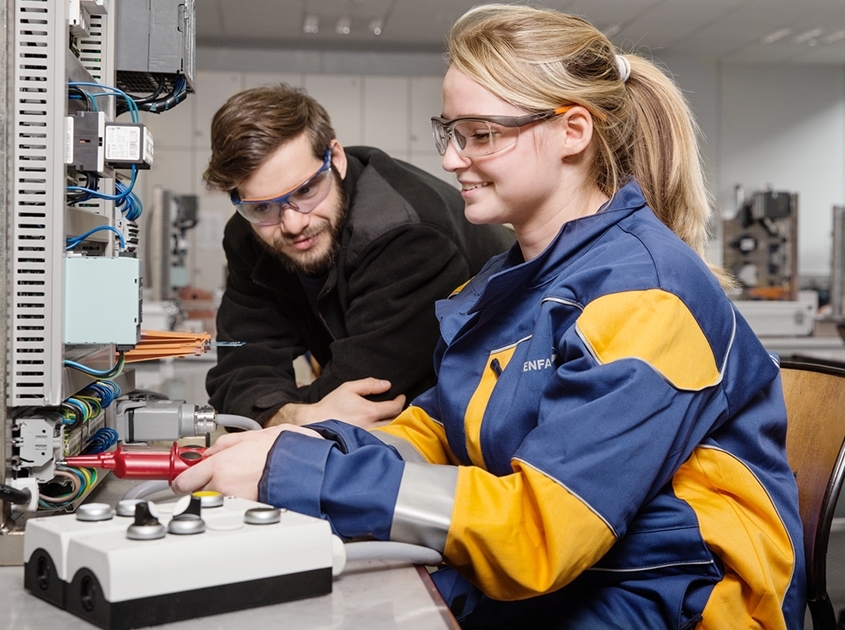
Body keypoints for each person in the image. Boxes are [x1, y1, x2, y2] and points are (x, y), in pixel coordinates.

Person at [176, 5, 806, 628]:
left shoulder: (646, 297)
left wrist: (299, 473)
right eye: (449, 132)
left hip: (674, 593)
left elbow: (543, 529)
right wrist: (302, 443)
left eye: (480, 136)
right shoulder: (511, 282)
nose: (451, 160)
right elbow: (437, 429)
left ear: (573, 131)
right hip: (588, 571)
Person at [203, 84, 515, 428]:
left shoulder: (408, 235)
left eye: (306, 190)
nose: (292, 223)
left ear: (335, 158)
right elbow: (239, 367)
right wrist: (295, 413)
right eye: (262, 206)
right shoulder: (250, 236)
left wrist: (283, 412)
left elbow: (367, 397)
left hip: (493, 418)